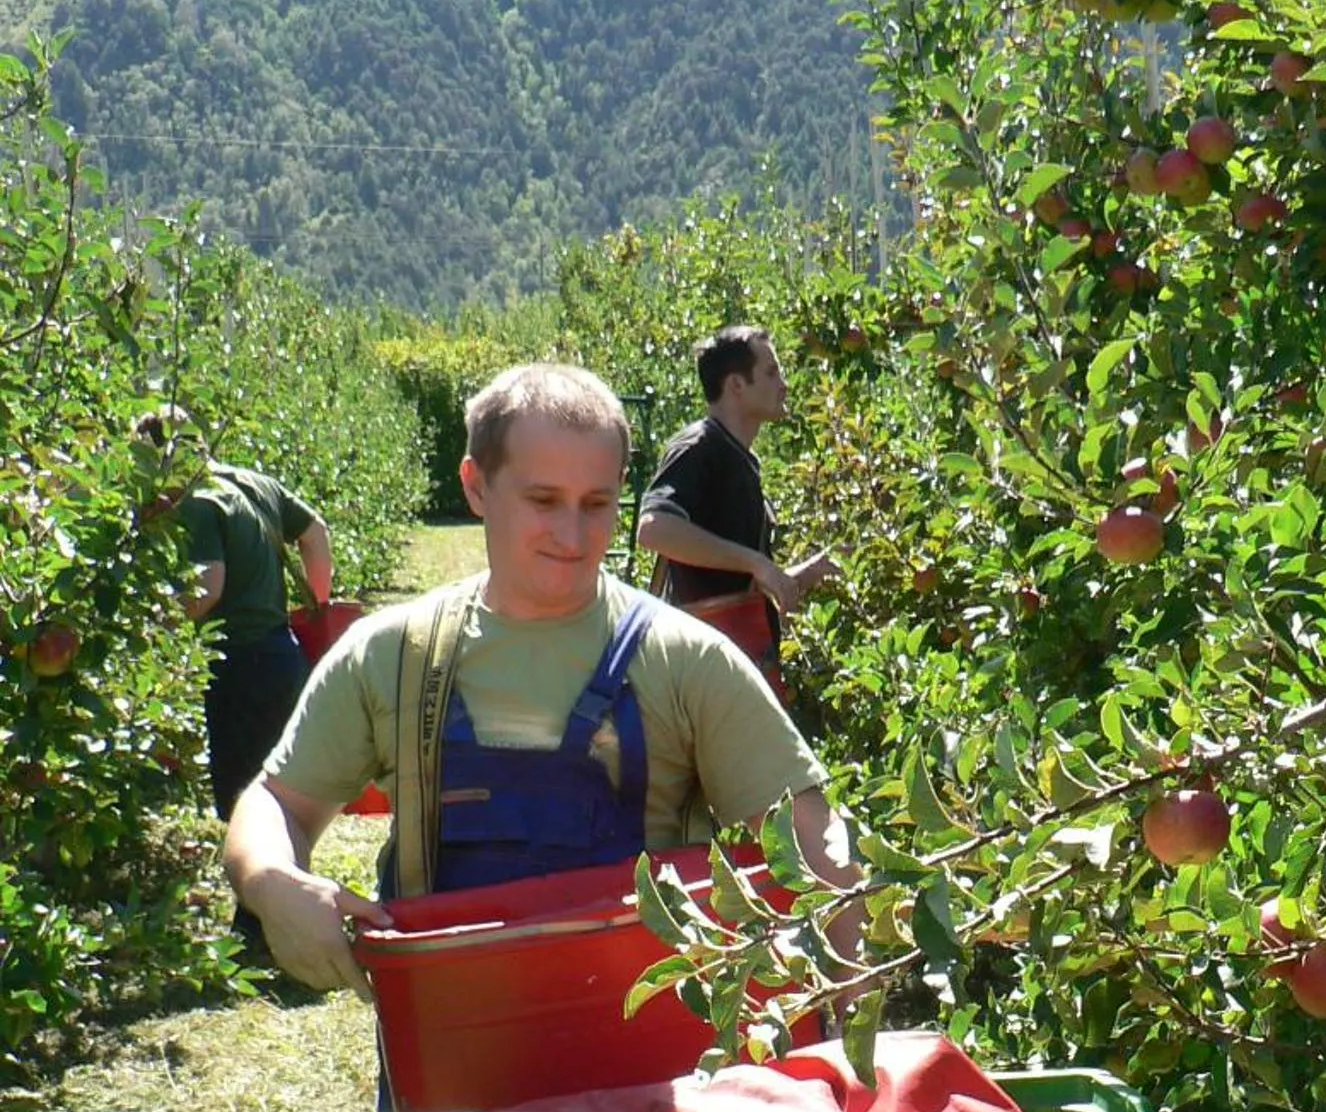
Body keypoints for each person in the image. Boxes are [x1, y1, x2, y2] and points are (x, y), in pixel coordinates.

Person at [225, 361, 861, 998]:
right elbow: (278, 801)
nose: (572, 535)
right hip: (449, 1055)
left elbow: (813, 837)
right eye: (543, 500)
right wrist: (271, 880)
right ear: (476, 487)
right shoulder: (395, 655)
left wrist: (848, 994)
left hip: (649, 1060)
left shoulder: (686, 659)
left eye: (597, 504)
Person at [142, 409, 335, 821]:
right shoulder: (254, 482)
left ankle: (261, 881)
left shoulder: (197, 500)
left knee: (244, 803)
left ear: (162, 455)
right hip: (285, 654)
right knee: (283, 789)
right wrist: (315, 605)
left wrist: (152, 631)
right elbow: (315, 531)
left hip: (240, 666)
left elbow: (208, 588)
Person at [631, 324, 837, 685]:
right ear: (736, 386)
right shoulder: (700, 447)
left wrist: (800, 575)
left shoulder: (739, 458)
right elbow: (653, 528)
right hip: (705, 671)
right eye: (771, 373)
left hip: (731, 665)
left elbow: (731, 583)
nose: (784, 384)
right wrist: (755, 562)